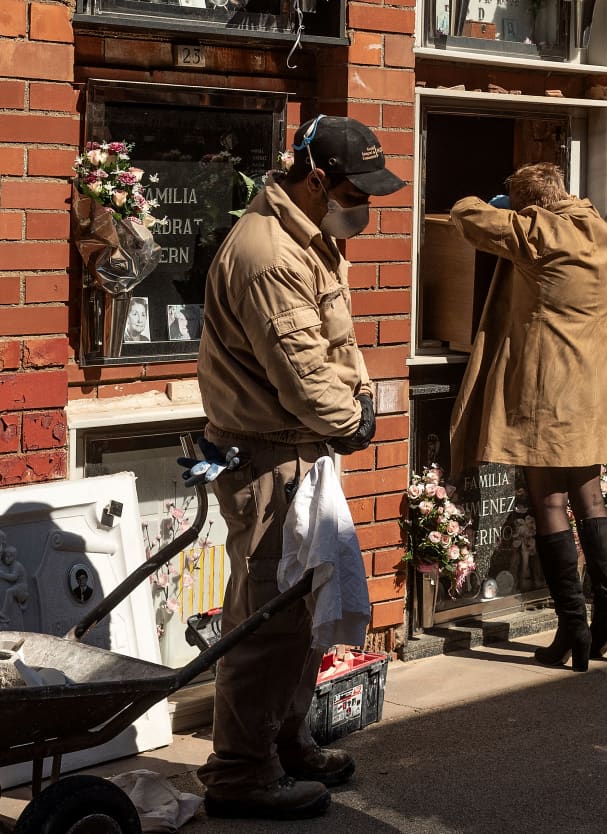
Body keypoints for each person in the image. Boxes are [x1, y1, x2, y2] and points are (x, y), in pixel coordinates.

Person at [195, 115, 403, 820]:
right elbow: (300, 368)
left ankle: (285, 742)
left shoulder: (311, 238)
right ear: (316, 178)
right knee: (267, 620)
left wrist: (362, 400)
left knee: (303, 610)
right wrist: (350, 420)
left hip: (300, 448)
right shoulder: (270, 254)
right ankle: (240, 770)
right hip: (270, 455)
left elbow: (331, 344)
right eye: (355, 189)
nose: (364, 205)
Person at [448, 162, 607, 672]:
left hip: (549, 389)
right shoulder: (599, 231)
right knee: (589, 497)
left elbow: (464, 216)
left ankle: (573, 628)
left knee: (548, 501)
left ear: (529, 206)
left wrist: (500, 207)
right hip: (592, 389)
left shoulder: (536, 232)